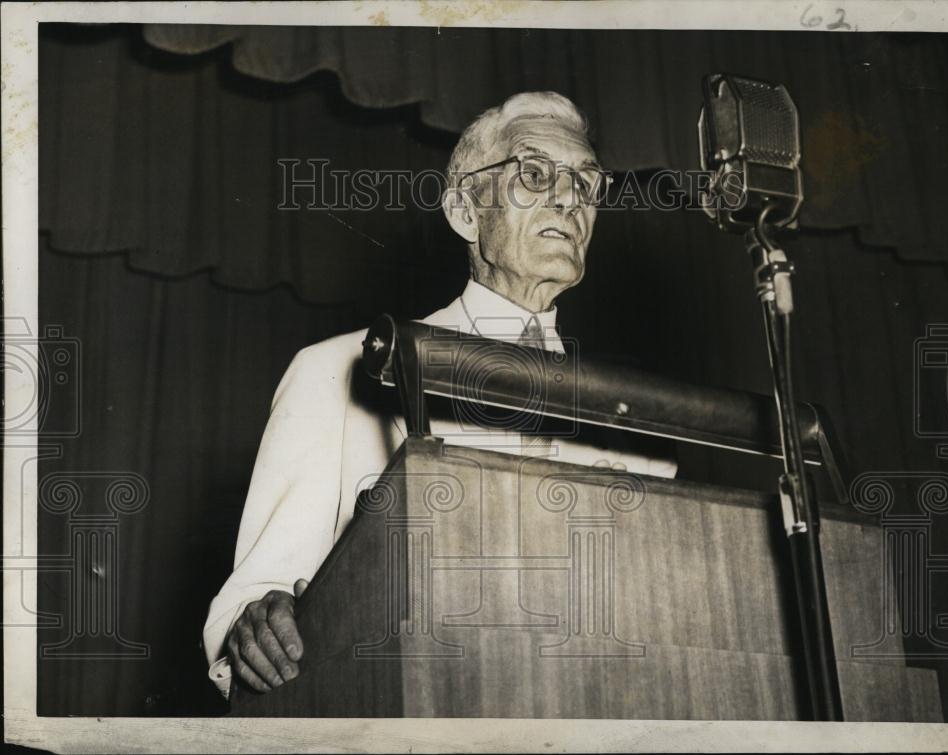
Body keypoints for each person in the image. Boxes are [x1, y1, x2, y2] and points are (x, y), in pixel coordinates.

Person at [203, 91, 677, 698]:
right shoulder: (339, 371)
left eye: (587, 183)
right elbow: (255, 596)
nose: (569, 198)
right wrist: (254, 623)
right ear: (463, 210)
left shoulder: (640, 418)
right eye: (534, 173)